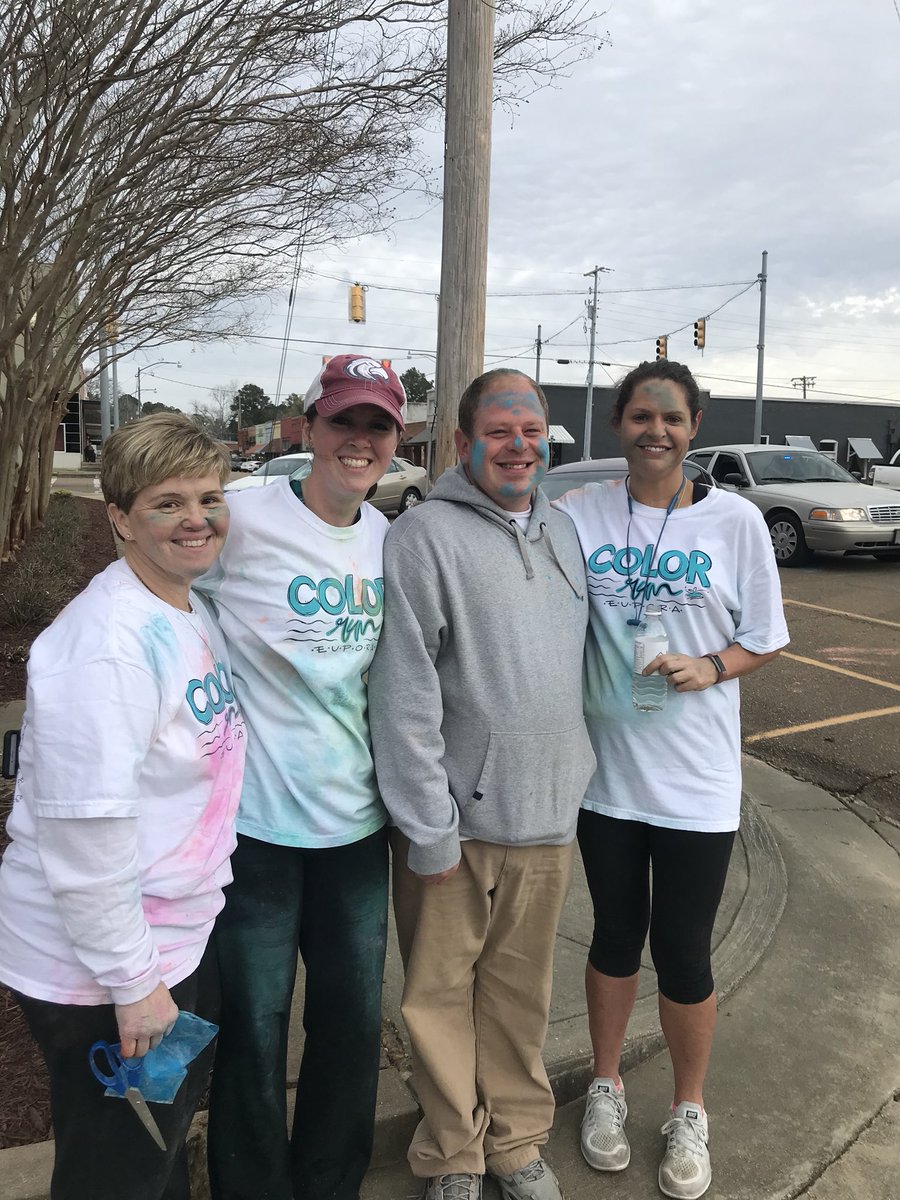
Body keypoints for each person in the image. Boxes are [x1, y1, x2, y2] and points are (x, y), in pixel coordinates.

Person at [554, 360, 789, 1200]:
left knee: (683, 953)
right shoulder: (577, 515)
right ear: (618, 423)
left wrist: (713, 664)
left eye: (674, 419)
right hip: (606, 778)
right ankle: (607, 1087)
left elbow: (766, 634)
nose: (658, 430)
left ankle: (690, 1109)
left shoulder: (736, 524)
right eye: (642, 415)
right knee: (615, 938)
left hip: (695, 781)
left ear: (695, 428)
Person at [0, 412, 245, 1200]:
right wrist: (134, 984)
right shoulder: (106, 645)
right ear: (119, 517)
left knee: (156, 1152)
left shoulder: (178, 604)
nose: (196, 519)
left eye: (209, 497)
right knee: (118, 1170)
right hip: (104, 974)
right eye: (167, 502)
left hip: (168, 943)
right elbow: (86, 839)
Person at [368, 368, 596, 1200]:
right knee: (436, 1000)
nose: (519, 445)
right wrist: (427, 825)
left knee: (518, 998)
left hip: (546, 817)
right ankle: (454, 1154)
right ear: (465, 443)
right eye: (500, 431)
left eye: (532, 430)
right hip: (454, 828)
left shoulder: (564, 534)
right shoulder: (424, 537)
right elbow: (403, 695)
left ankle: (517, 1143)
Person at [199, 354, 407, 1200]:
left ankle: (329, 1183)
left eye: (377, 427)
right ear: (310, 428)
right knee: (251, 1025)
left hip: (356, 826)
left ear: (393, 441)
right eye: (344, 422)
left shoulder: (390, 540)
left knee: (351, 1025)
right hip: (254, 829)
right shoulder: (240, 519)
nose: (358, 441)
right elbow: (157, 585)